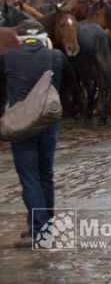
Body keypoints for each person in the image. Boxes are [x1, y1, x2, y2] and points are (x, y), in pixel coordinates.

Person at [0, 20, 77, 248]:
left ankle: (38, 231)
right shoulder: (56, 57)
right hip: (47, 121)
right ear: (44, 37)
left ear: (20, 39)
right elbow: (71, 81)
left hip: (21, 123)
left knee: (29, 178)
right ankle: (45, 228)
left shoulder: (8, 58)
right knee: (45, 175)